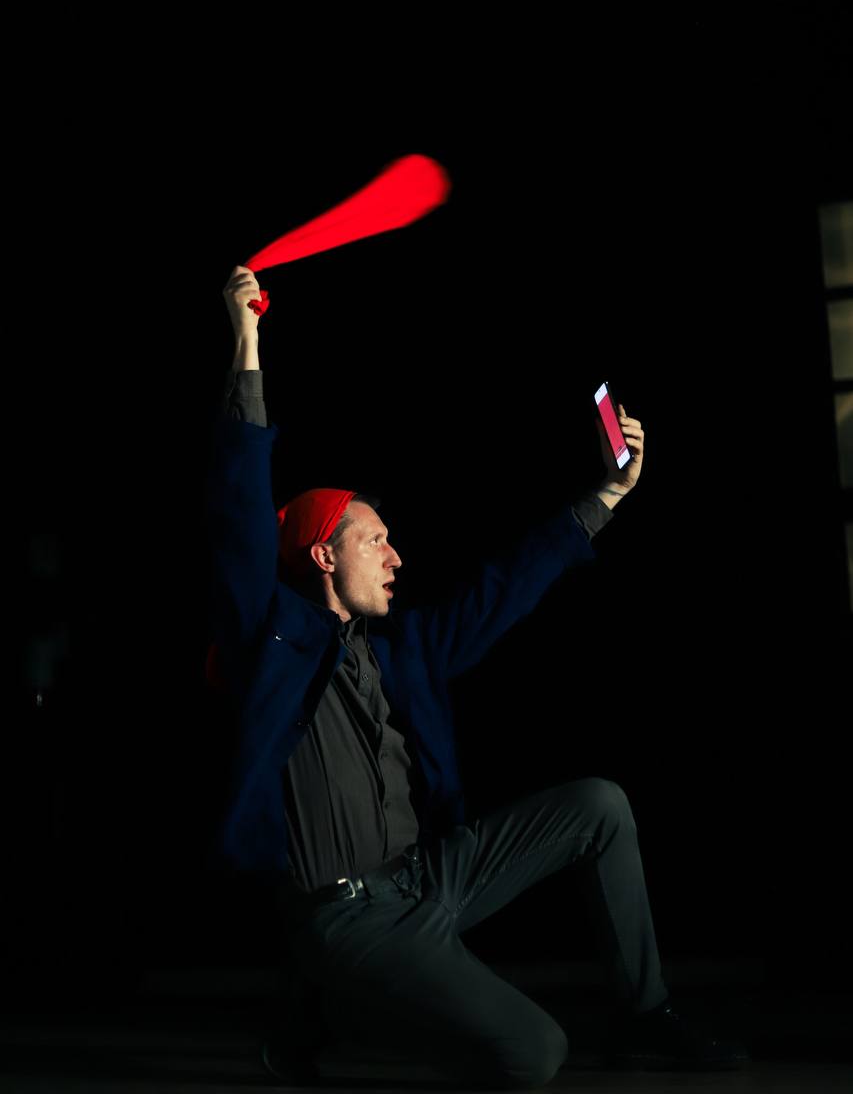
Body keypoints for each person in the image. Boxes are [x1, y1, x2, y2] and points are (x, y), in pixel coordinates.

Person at [205, 264, 744, 1088]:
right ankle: (334, 1005)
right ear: (323, 555)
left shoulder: (400, 649)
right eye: (375, 541)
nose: (396, 556)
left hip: (431, 881)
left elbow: (505, 586)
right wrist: (246, 339)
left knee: (598, 805)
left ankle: (644, 1012)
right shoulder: (268, 641)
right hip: (349, 918)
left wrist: (606, 496)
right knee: (534, 1053)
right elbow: (240, 503)